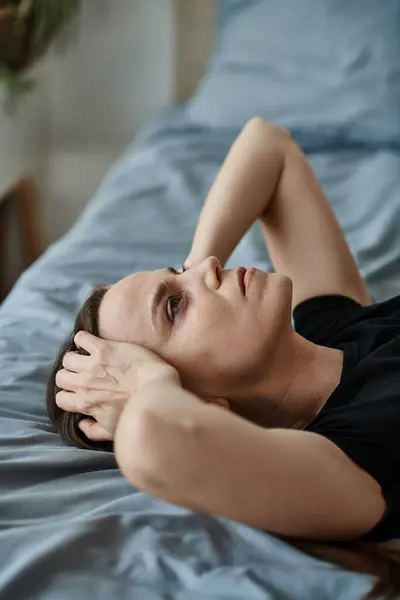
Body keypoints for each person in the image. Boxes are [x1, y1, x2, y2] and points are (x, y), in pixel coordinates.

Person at [47, 118, 400, 598]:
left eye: (179, 271)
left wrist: (194, 269)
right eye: (174, 306)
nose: (210, 268)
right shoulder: (353, 454)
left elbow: (267, 143)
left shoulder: (336, 327)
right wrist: (146, 386)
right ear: (204, 403)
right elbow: (155, 441)